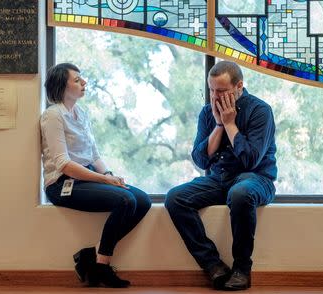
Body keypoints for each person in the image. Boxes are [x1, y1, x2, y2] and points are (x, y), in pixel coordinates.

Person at [165, 61, 277, 290]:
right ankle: (213, 265)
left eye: (222, 91)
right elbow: (200, 159)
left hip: (256, 179)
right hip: (219, 179)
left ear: (239, 86)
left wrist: (230, 124)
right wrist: (218, 125)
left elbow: (250, 160)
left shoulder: (260, 111)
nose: (215, 96)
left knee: (240, 193)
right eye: (211, 90)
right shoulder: (208, 112)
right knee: (175, 198)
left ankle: (242, 269)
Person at [40, 63, 151, 288]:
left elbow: (94, 154)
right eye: (77, 79)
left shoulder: (81, 113)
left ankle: (90, 256)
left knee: (142, 201)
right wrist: (104, 180)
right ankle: (101, 267)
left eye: (82, 78)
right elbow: (64, 164)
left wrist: (110, 174)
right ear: (62, 86)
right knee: (125, 199)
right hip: (62, 184)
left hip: (85, 177)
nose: (84, 82)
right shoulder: (53, 116)